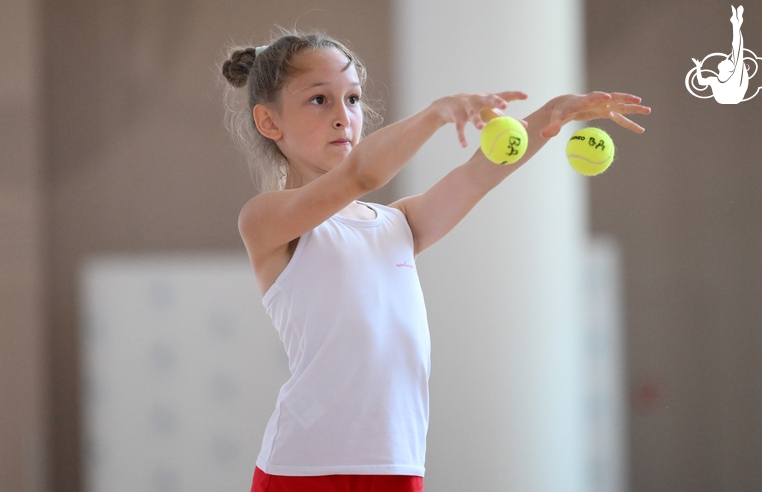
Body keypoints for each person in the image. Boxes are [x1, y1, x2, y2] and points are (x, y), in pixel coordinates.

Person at [221, 29, 650, 492]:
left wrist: (550, 116)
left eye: (352, 99)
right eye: (319, 100)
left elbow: (477, 176)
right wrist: (434, 114)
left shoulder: (397, 224)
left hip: (398, 462)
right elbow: (361, 173)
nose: (343, 117)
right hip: (304, 468)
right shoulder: (265, 219)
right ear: (268, 122)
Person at [692, 5, 748, 104]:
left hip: (732, 96)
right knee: (737, 52)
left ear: (729, 69)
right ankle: (736, 24)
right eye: (728, 61)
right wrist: (698, 67)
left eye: (727, 61)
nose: (724, 59)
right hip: (730, 97)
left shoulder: (729, 78)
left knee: (737, 51)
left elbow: (737, 49)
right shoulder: (716, 80)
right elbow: (701, 82)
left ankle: (736, 24)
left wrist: (698, 67)